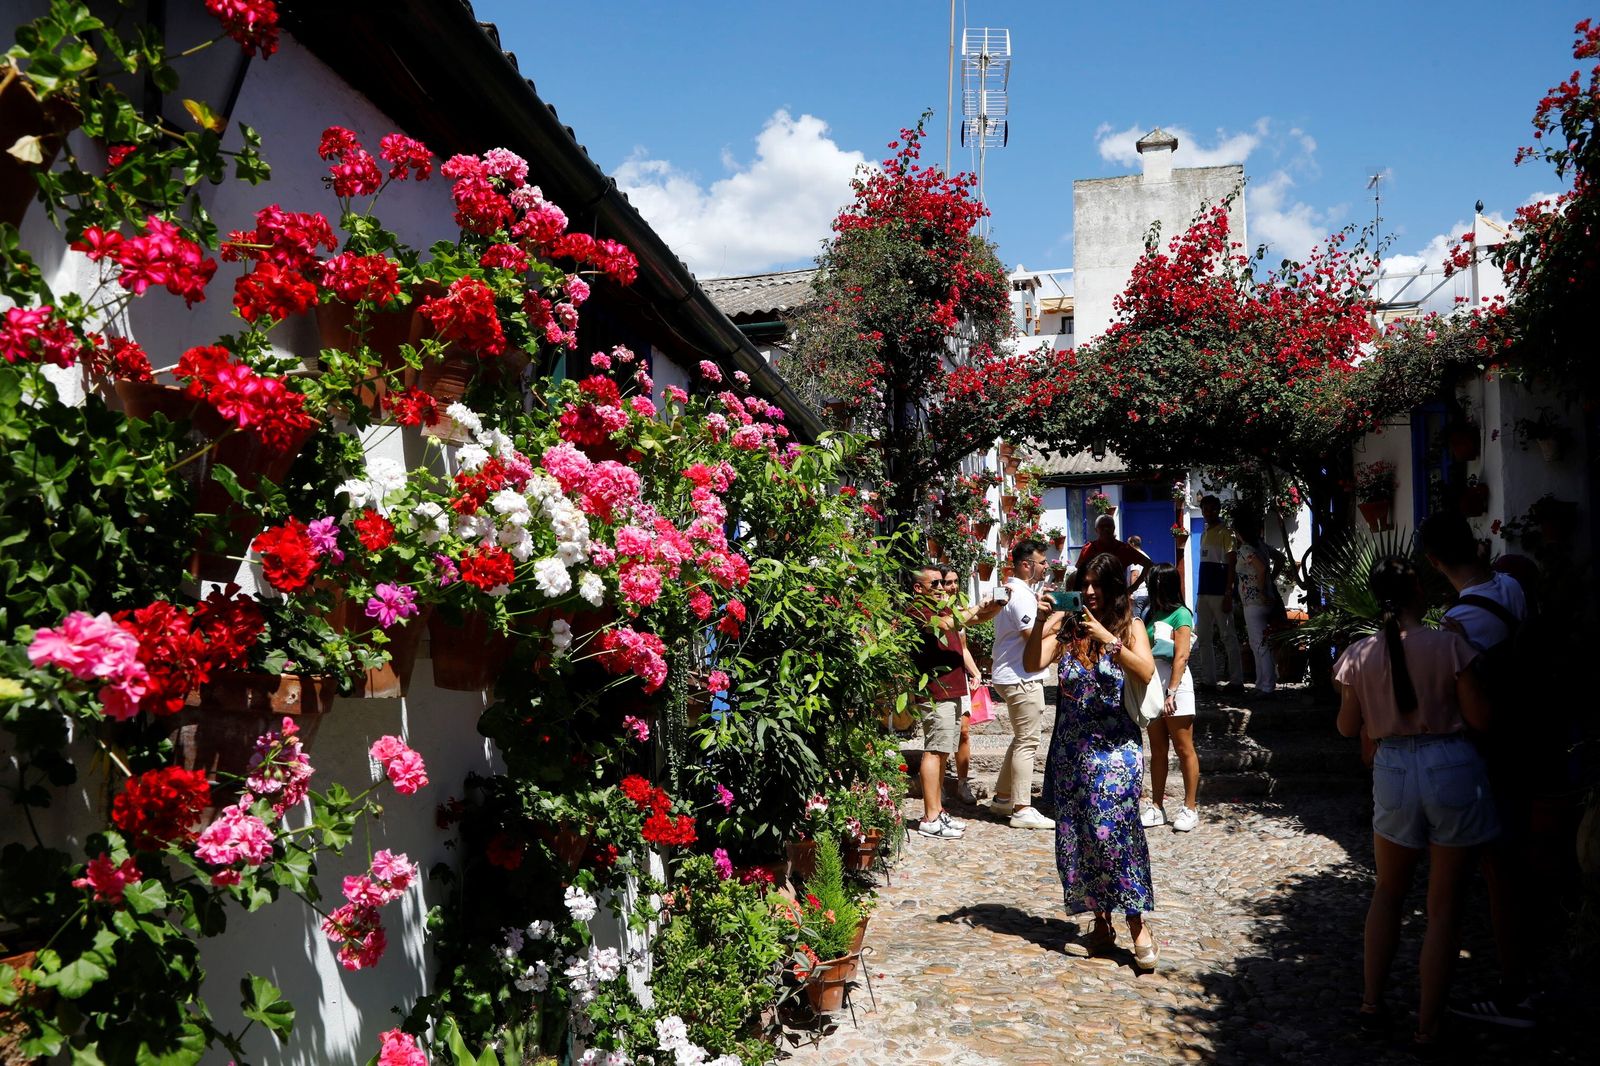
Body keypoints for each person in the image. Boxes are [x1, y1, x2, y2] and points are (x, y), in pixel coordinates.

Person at [1334, 556, 1497, 1051]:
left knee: (1388, 891)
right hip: (1450, 763)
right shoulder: (1449, 645)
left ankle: (1371, 1004)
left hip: (1394, 770)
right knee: (1444, 906)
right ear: (1419, 595)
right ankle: (1428, 1027)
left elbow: (1346, 727)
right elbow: (1481, 718)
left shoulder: (1359, 654)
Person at [1419, 513, 1534, 1028]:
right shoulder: (1513, 585)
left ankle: (1514, 991)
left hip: (1492, 752)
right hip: (1531, 737)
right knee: (1509, 867)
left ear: (1434, 561)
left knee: (1497, 872)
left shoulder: (1459, 624)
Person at [1025, 552, 1160, 970]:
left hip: (1116, 751)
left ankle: (1137, 923)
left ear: (1114, 588)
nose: (1089, 592)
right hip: (1072, 752)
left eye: (1097, 584)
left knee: (1116, 834)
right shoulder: (1068, 628)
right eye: (1084, 584)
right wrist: (1040, 623)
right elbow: (1032, 662)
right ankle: (1101, 925)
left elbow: (1146, 671)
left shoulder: (1130, 627)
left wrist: (1107, 639)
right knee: (1080, 837)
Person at [910, 565, 1002, 839]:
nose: (941, 588)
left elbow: (973, 619)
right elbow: (949, 624)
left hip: (951, 690)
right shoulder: (918, 610)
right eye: (935, 584)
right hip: (935, 692)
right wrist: (977, 608)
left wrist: (995, 607)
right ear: (918, 588)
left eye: (943, 583)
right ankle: (930, 817)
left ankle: (938, 811)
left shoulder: (943, 608)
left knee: (942, 752)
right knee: (934, 750)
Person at [988, 539, 1056, 830]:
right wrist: (1060, 618)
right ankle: (1022, 808)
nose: (1046, 567)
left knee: (1020, 739)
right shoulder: (1021, 596)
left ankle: (1004, 798)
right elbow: (1032, 637)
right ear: (1026, 565)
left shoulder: (1014, 591)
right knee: (1028, 742)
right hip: (1021, 677)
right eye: (1042, 562)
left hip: (1011, 675)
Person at [1139, 563, 1200, 832]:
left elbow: (1182, 656)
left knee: (1184, 748)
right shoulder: (1151, 613)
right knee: (1158, 750)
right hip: (1154, 686)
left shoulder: (1181, 614)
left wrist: (1171, 692)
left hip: (1176, 687)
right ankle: (1156, 806)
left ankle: (1190, 807)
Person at [942, 567, 985, 806]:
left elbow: (963, 648)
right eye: (948, 582)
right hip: (942, 679)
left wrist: (976, 672)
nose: (953, 587)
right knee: (942, 735)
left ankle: (962, 782)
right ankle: (938, 784)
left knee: (964, 732)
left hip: (960, 677)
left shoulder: (959, 612)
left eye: (956, 581)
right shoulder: (936, 613)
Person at [1193, 495, 1243, 690]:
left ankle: (1237, 681)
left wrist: (1228, 593)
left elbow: (1232, 563)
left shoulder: (1226, 532)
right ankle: (1209, 681)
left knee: (1228, 636)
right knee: (1203, 638)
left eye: (1212, 509)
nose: (1208, 513)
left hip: (1220, 593)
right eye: (1205, 509)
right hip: (1203, 592)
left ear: (1218, 510)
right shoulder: (1204, 533)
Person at [1232, 510, 1279, 698]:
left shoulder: (1246, 550)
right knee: (1258, 643)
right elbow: (1280, 559)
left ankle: (1267, 686)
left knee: (1259, 644)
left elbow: (1261, 568)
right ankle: (1261, 683)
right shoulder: (1261, 546)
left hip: (1254, 602)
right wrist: (1270, 582)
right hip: (1262, 600)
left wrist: (1261, 590)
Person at [1074, 515, 1153, 596]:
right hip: (1093, 594)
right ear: (1096, 530)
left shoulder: (1124, 549)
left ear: (1114, 528)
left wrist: (1134, 587)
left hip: (1116, 596)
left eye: (1109, 526)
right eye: (1102, 526)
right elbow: (1079, 572)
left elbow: (1149, 565)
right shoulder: (1088, 548)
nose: (1106, 529)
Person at [1126, 535, 1149, 616]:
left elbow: (1135, 574)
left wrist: (1131, 593)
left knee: (1135, 618)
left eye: (1128, 544)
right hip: (1145, 593)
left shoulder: (1135, 556)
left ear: (1132, 544)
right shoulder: (1145, 555)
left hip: (1137, 594)